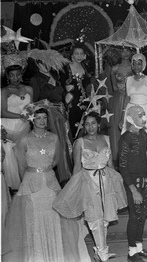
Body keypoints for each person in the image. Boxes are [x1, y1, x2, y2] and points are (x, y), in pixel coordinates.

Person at [4, 108, 89, 262]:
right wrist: (32, 179)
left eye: (44, 118)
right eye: (38, 118)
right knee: (35, 222)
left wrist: (45, 170)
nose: (42, 121)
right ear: (32, 120)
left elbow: (56, 160)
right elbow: (21, 166)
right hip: (32, 186)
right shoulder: (24, 140)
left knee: (53, 219)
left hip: (50, 184)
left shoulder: (55, 138)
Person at [53, 111, 127, 262]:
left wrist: (116, 183)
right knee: (94, 219)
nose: (90, 127)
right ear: (84, 126)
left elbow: (111, 164)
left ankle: (101, 251)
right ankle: (102, 253)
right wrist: (74, 189)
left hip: (106, 182)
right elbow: (77, 168)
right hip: (89, 183)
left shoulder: (106, 139)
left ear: (99, 124)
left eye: (93, 123)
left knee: (105, 219)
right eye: (87, 124)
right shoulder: (79, 143)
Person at [119, 106, 147, 262]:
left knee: (142, 216)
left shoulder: (143, 135)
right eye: (140, 116)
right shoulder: (126, 138)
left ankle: (139, 249)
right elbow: (122, 166)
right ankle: (131, 253)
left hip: (143, 181)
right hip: (133, 184)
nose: (144, 118)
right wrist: (133, 189)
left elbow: (144, 158)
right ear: (130, 119)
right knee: (135, 216)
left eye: (144, 115)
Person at [29, 53, 73, 183]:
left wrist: (68, 96)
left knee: (65, 143)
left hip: (61, 114)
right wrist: (44, 103)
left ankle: (67, 174)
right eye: (43, 62)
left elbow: (61, 95)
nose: (46, 65)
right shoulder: (35, 79)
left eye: (49, 62)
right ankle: (55, 177)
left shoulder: (55, 75)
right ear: (37, 64)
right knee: (53, 145)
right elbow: (33, 103)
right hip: (49, 117)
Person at [1, 56, 33, 189]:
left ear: (21, 75)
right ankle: (12, 188)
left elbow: (31, 107)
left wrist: (29, 114)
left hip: (24, 127)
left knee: (23, 156)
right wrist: (21, 116)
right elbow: (2, 112)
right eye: (12, 75)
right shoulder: (4, 91)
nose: (15, 78)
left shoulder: (29, 89)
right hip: (8, 127)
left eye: (17, 75)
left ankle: (26, 185)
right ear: (8, 76)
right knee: (10, 157)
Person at [61, 43, 92, 141]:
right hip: (72, 102)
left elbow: (87, 85)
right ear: (72, 55)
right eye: (76, 53)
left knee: (84, 125)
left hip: (85, 102)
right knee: (72, 126)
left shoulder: (85, 67)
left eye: (81, 54)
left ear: (84, 55)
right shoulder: (66, 68)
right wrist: (67, 88)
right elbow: (61, 83)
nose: (79, 56)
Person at [109, 46, 133, 164]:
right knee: (116, 127)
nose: (125, 53)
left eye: (128, 50)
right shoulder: (115, 69)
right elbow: (114, 87)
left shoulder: (134, 67)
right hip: (118, 99)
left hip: (131, 99)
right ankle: (118, 157)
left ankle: (132, 155)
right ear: (119, 52)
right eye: (123, 50)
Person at [123, 53, 147, 135]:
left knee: (145, 135)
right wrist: (122, 117)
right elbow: (126, 99)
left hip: (145, 110)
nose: (136, 67)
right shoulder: (128, 80)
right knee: (129, 136)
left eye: (139, 64)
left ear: (143, 65)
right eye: (134, 64)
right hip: (130, 110)